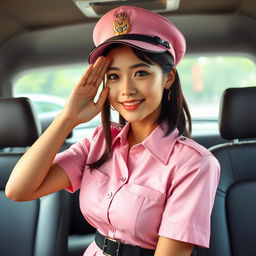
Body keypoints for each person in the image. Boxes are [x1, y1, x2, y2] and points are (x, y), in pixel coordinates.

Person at [6, 5, 220, 256]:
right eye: (114, 76)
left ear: (168, 78)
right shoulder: (97, 143)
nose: (126, 90)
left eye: (140, 73)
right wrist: (67, 118)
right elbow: (18, 190)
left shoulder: (194, 164)